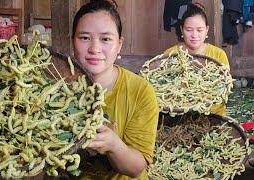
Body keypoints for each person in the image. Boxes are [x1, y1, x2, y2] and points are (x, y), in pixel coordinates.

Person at [71, 0, 159, 179]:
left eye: (106, 39)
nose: (95, 49)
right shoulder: (56, 86)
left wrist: (114, 146)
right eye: (85, 38)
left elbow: (136, 168)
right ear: (72, 41)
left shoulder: (140, 91)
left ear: (119, 44)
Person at [164, 3, 230, 116]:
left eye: (199, 30)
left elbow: (223, 88)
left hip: (213, 115)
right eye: (189, 30)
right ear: (181, 30)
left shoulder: (218, 55)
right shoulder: (170, 54)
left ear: (207, 30)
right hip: (178, 115)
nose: (194, 35)